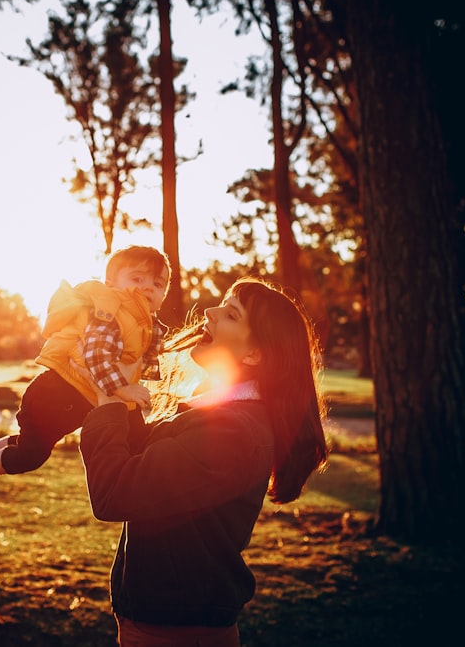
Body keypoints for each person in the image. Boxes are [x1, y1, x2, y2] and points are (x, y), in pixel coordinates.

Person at [77, 277, 328, 646]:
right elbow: (140, 457)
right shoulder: (218, 413)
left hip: (178, 631)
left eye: (230, 314)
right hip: (162, 621)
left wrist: (109, 404)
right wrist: (121, 385)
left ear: (254, 354)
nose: (208, 312)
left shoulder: (234, 433)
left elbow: (115, 491)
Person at [0, 245, 171, 501]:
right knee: (31, 454)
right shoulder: (112, 312)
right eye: (137, 279)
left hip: (80, 397)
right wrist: (123, 388)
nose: (148, 287)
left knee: (131, 437)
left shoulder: (143, 322)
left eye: (158, 283)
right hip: (56, 394)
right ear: (111, 283)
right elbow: (95, 354)